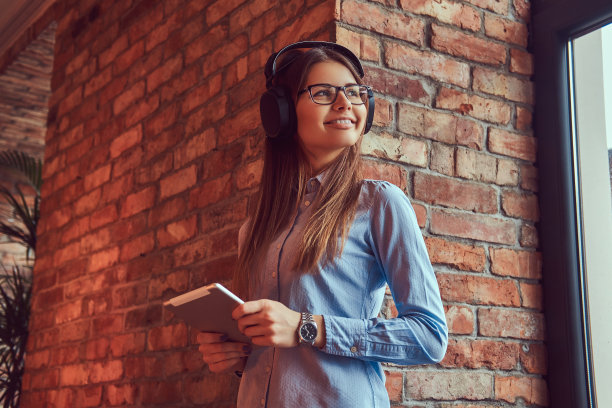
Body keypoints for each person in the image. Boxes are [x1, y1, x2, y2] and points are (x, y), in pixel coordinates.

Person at [196, 41, 448, 408]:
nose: (346, 103)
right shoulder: (255, 228)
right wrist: (237, 355)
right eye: (325, 93)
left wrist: (306, 327)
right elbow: (271, 342)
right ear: (281, 113)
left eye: (355, 93)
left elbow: (429, 338)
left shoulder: (380, 204)